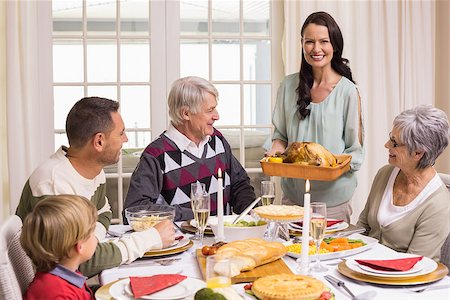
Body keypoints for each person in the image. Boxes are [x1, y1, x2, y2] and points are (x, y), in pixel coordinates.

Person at [15, 97, 175, 277]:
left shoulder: (93, 170)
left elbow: (103, 213)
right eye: (121, 133)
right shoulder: (53, 184)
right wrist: (150, 238)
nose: (126, 139)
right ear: (99, 141)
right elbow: (75, 263)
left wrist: (92, 242)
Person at [267, 11, 364, 222]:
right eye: (309, 42)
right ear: (302, 45)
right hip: (292, 198)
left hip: (334, 201)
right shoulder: (288, 86)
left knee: (330, 253)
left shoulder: (347, 91)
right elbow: (280, 135)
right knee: (289, 254)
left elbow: (354, 151)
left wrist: (333, 167)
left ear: (335, 46)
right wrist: (275, 153)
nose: (316, 49)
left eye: (324, 41)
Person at [124, 76, 256, 221]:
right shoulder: (156, 155)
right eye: (210, 110)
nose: (216, 116)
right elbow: (135, 210)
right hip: (180, 242)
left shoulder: (217, 140)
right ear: (185, 113)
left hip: (222, 239)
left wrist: (250, 212)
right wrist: (194, 216)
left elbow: (240, 184)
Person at [357, 105, 450, 260]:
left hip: (404, 280)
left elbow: (414, 265)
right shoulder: (385, 174)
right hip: (363, 270)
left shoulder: (438, 204)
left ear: (418, 152)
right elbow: (363, 228)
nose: (386, 145)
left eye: (394, 142)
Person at [21, 195, 98, 299]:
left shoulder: (63, 277)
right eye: (92, 232)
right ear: (79, 246)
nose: (96, 237)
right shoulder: (58, 294)